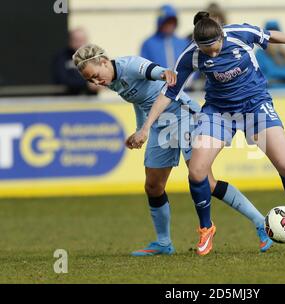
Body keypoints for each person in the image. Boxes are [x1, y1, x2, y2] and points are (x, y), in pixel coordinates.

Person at [133, 12, 285, 256]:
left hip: (255, 105)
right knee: (197, 171)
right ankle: (206, 228)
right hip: (219, 112)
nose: (211, 54)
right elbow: (168, 93)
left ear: (221, 36)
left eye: (214, 48)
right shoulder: (191, 54)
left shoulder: (239, 34)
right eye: (206, 51)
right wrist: (146, 127)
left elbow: (268, 36)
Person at [72, 44, 273, 256]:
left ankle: (261, 222)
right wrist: (141, 130)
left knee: (206, 181)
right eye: (90, 80)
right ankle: (163, 242)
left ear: (104, 62)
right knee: (153, 186)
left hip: (183, 115)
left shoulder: (129, 65)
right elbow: (140, 100)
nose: (96, 82)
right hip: (160, 124)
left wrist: (164, 73)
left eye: (95, 75)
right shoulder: (111, 81)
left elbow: (155, 71)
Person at [52, 27, 100, 95]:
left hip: (90, 101)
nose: (79, 44)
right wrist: (86, 84)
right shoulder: (61, 57)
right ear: (70, 41)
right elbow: (62, 80)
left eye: (82, 40)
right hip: (68, 100)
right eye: (76, 40)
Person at [140, 4, 190, 69]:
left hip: (182, 79)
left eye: (172, 22)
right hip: (157, 78)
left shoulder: (184, 43)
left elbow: (193, 65)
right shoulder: (148, 44)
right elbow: (143, 67)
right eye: (167, 22)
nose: (170, 25)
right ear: (160, 23)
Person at [256, 20, 285, 90]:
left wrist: (272, 73)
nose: (274, 38)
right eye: (270, 35)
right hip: (269, 92)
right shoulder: (260, 53)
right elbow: (260, 76)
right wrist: (282, 75)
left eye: (277, 34)